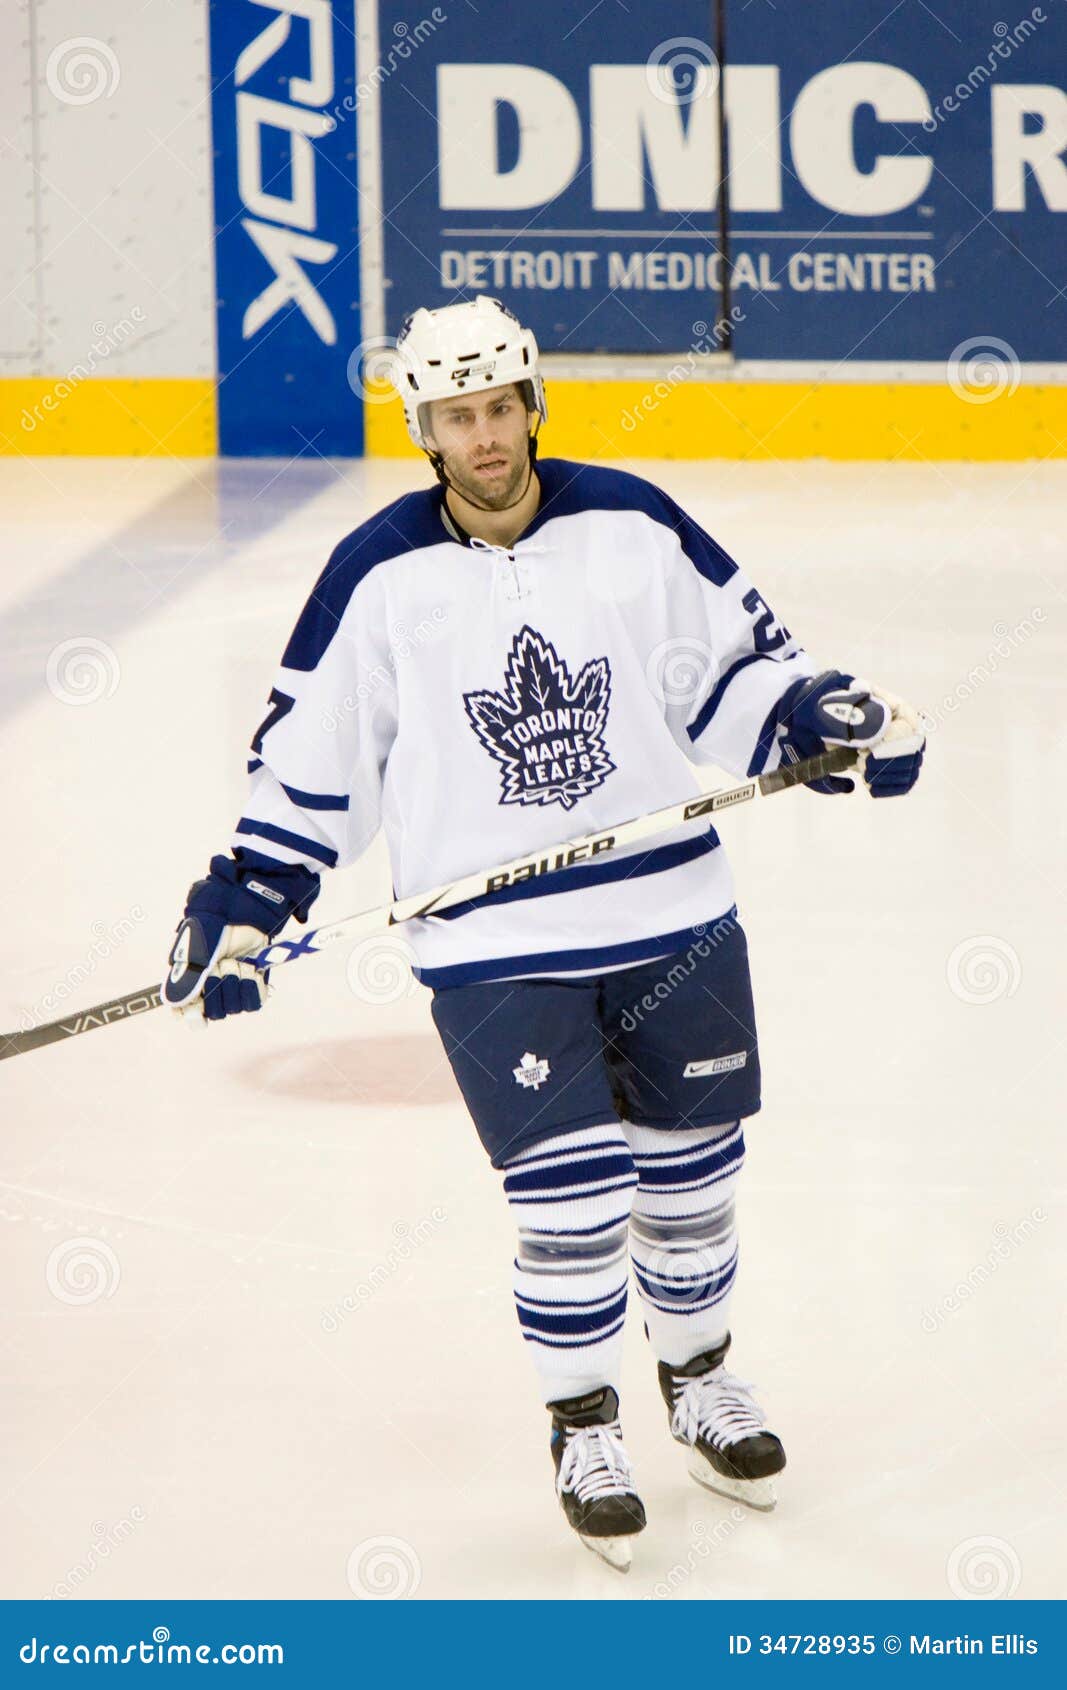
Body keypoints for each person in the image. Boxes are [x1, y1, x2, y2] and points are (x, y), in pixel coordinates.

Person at [162, 297, 925, 1572]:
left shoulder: (629, 522)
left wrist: (808, 716)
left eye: (499, 408)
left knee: (692, 1179)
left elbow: (726, 674)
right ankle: (583, 1422)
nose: (484, 436)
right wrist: (250, 895)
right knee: (570, 1197)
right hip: (489, 941)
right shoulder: (376, 572)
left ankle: (699, 1381)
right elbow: (318, 759)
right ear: (424, 429)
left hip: (669, 909)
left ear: (530, 406)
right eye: (455, 417)